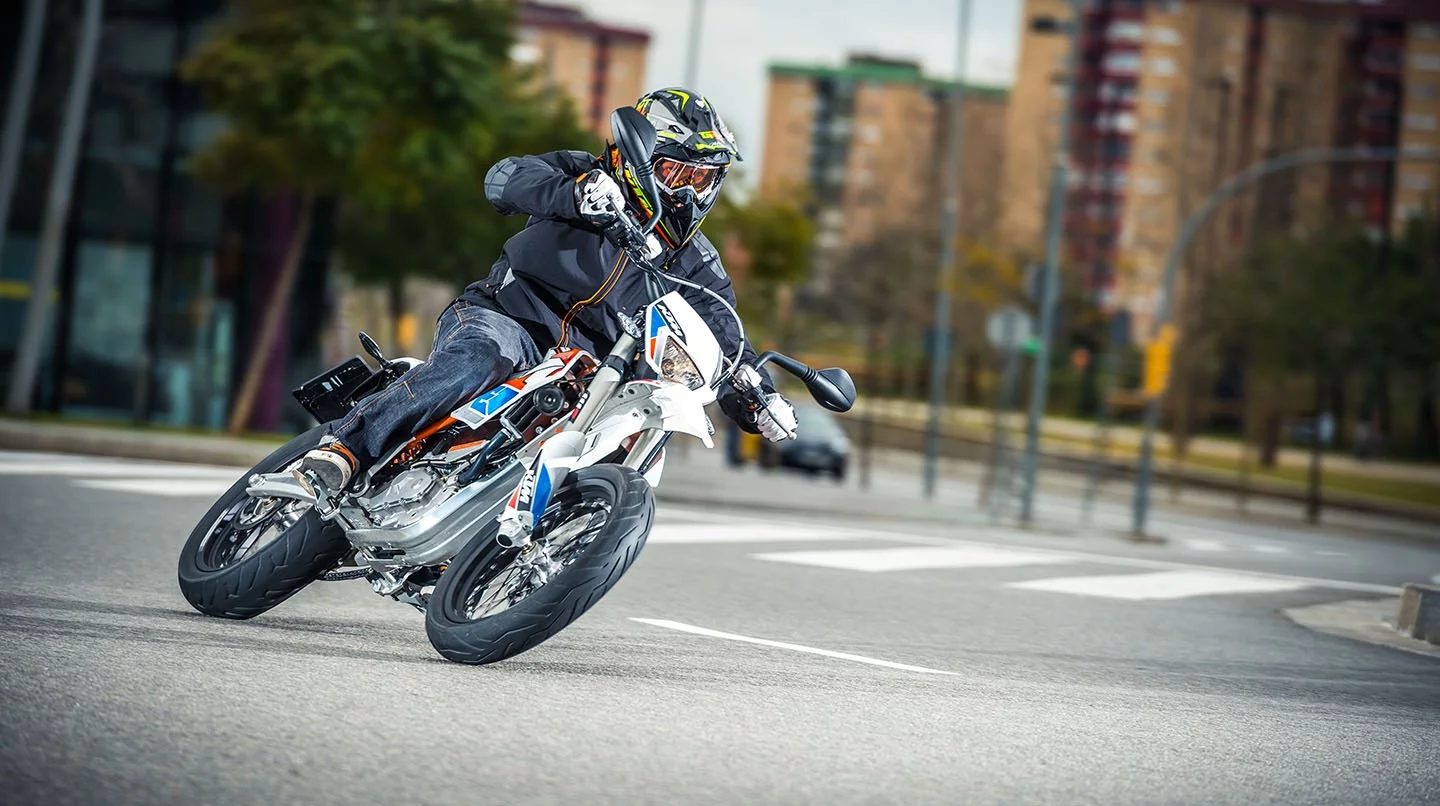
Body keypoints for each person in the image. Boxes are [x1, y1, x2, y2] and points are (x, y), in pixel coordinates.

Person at [296, 87, 797, 494]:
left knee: (620, 440)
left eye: (705, 179)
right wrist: (575, 196)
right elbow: (506, 179)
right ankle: (345, 449)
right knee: (478, 362)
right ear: (643, 153)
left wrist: (760, 397)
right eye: (679, 173)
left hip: (590, 377)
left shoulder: (696, 261)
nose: (692, 191)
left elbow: (724, 338)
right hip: (507, 321)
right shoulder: (586, 175)